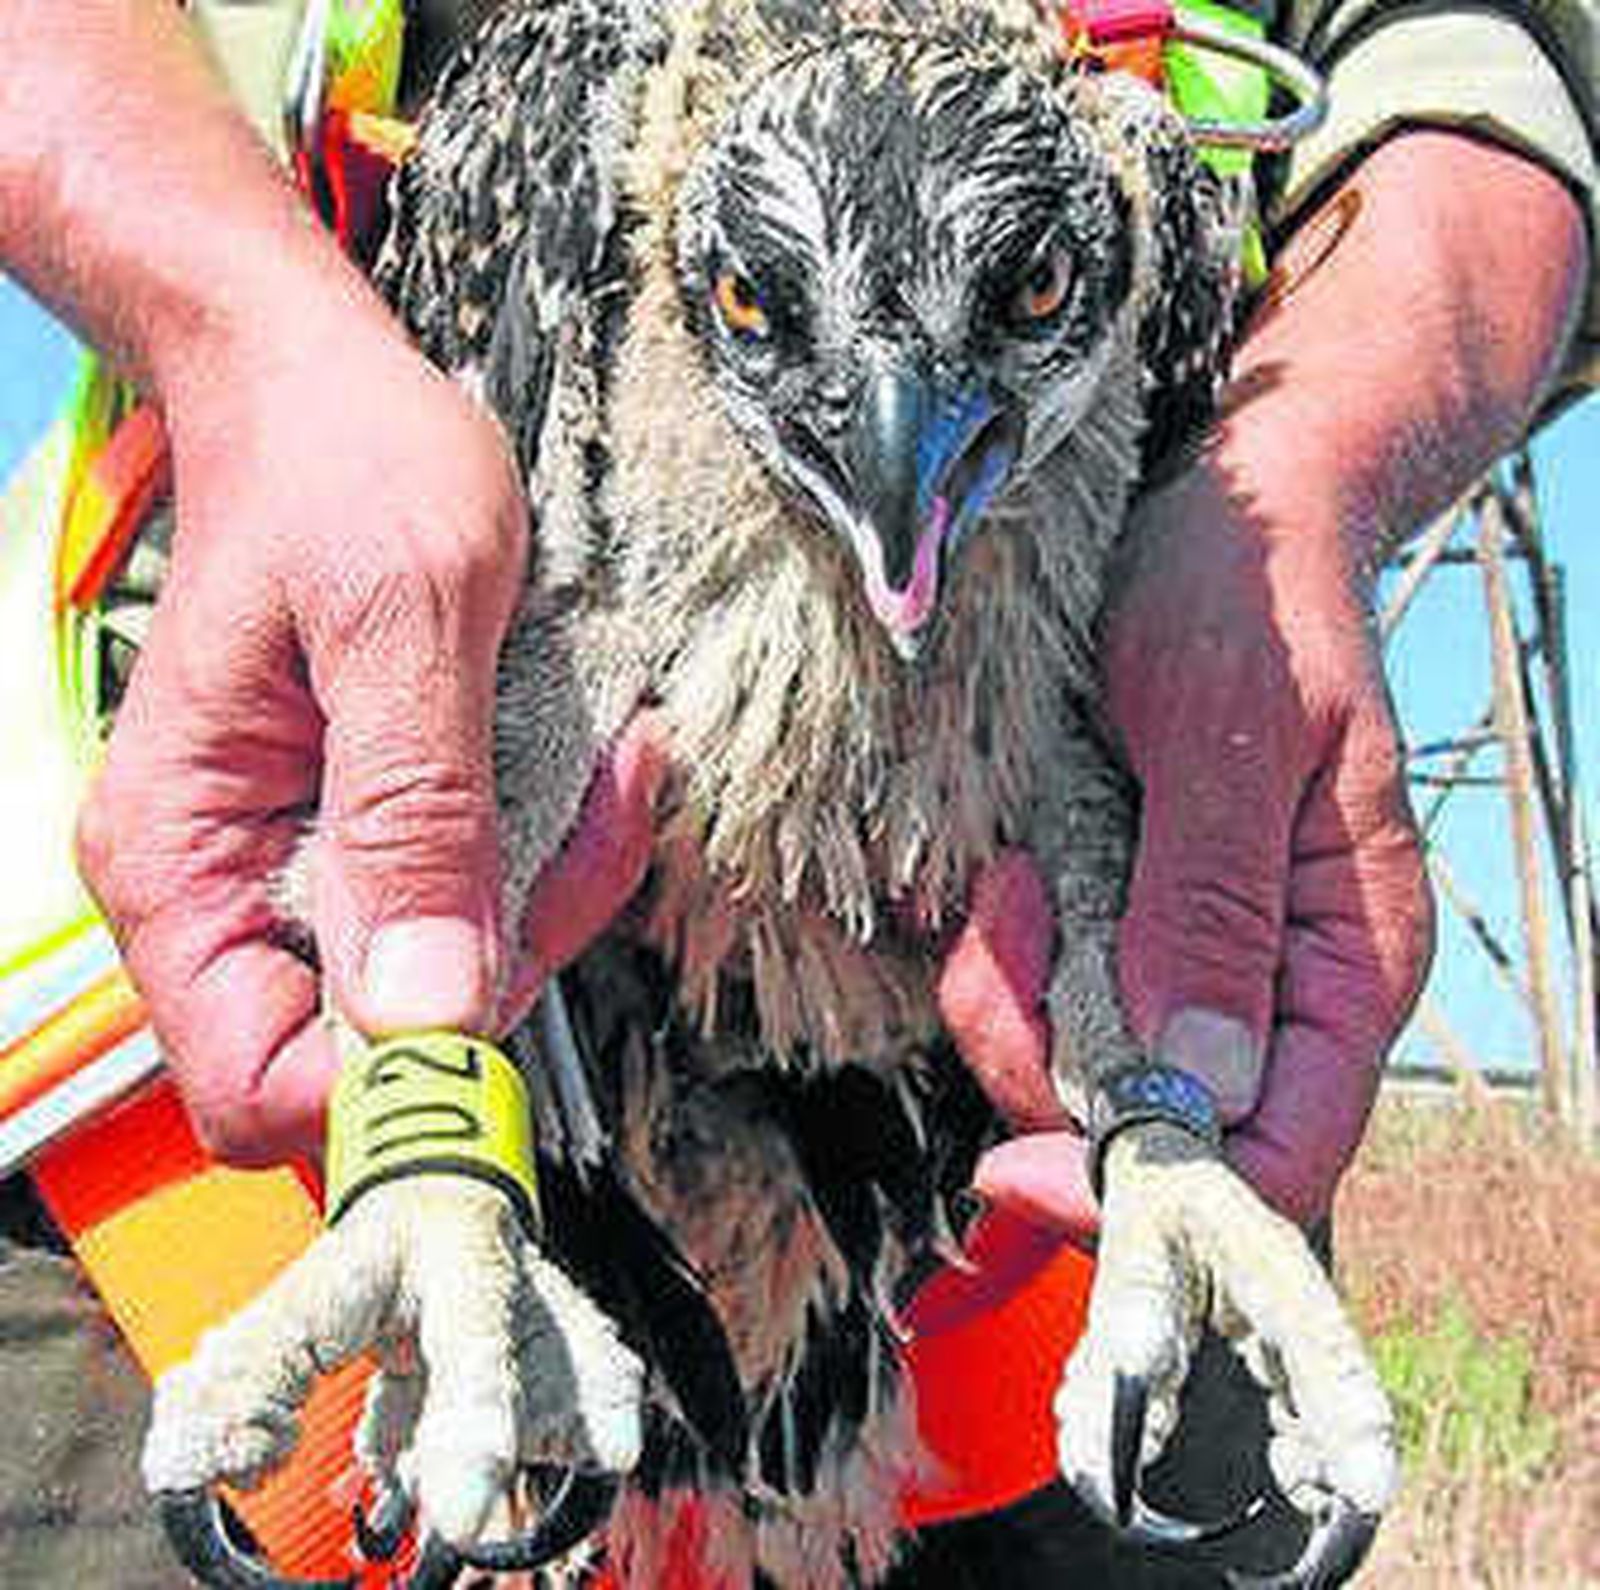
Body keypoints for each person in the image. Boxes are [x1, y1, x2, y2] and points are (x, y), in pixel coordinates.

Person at [0, 0, 1592, 1583]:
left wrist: (1305, 476)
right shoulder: (592, 132)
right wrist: (241, 339)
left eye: (1035, 293)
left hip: (1040, 1275)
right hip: (216, 1107)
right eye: (764, 313)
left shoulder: (1131, 209)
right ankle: (428, 1164)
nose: (891, 435)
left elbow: (1475, 54)